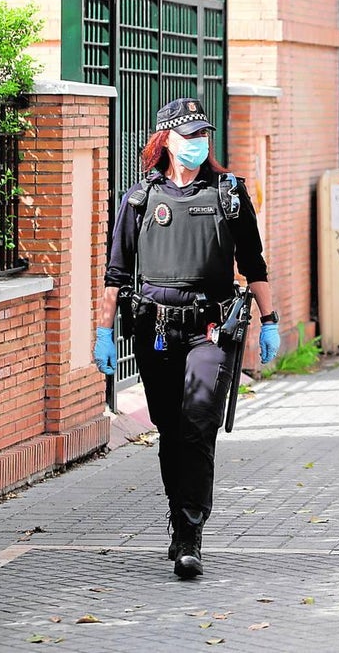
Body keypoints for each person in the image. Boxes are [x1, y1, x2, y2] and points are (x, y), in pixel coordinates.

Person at [92, 97, 281, 579]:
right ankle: (179, 521)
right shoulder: (139, 199)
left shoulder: (229, 194)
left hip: (210, 329)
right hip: (154, 328)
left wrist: (270, 318)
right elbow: (115, 273)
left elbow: (253, 263)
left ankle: (192, 533)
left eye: (203, 135)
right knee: (170, 432)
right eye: (188, 136)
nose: (198, 143)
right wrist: (103, 331)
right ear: (165, 141)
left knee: (198, 424)